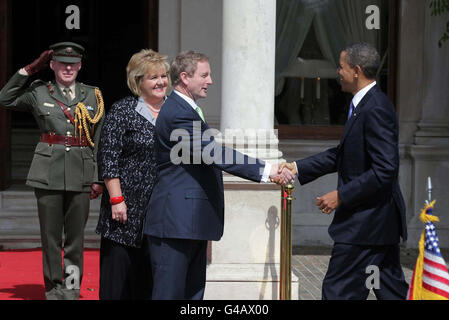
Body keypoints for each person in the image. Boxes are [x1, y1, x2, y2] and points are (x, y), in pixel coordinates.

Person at [143, 50, 294, 300]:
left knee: (192, 295)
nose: (210, 81)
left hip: (188, 222)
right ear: (184, 77)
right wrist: (268, 170)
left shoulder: (185, 109)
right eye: (204, 75)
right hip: (175, 223)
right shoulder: (179, 112)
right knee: (170, 295)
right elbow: (213, 152)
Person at [279, 43, 409, 300]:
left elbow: (385, 169)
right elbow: (343, 155)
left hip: (365, 227)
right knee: (392, 293)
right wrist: (297, 167)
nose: (337, 71)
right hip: (377, 226)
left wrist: (341, 195)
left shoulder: (376, 108)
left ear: (357, 70)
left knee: (338, 293)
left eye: (341, 66)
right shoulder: (364, 104)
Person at [0, 42, 105, 300]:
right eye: (61, 63)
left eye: (72, 64)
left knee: (75, 241)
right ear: (52, 65)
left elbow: (99, 139)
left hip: (80, 172)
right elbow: (5, 98)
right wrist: (28, 70)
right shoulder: (40, 92)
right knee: (50, 238)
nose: (67, 68)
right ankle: (53, 290)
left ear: (79, 66)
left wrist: (97, 177)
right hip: (47, 173)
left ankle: (70, 290)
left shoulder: (92, 96)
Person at [96, 49, 169, 300]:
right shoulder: (122, 111)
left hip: (161, 209)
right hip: (124, 213)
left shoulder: (176, 111)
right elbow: (108, 157)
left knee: (149, 282)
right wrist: (117, 199)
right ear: (138, 82)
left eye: (163, 76)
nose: (161, 82)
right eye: (153, 77)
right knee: (118, 283)